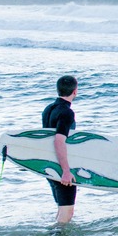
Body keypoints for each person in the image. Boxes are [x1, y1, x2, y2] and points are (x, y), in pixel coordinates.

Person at [42, 75, 79, 224]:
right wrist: (66, 171)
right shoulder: (66, 112)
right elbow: (59, 141)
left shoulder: (49, 109)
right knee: (67, 213)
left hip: (49, 164)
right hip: (60, 166)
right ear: (75, 91)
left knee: (61, 209)